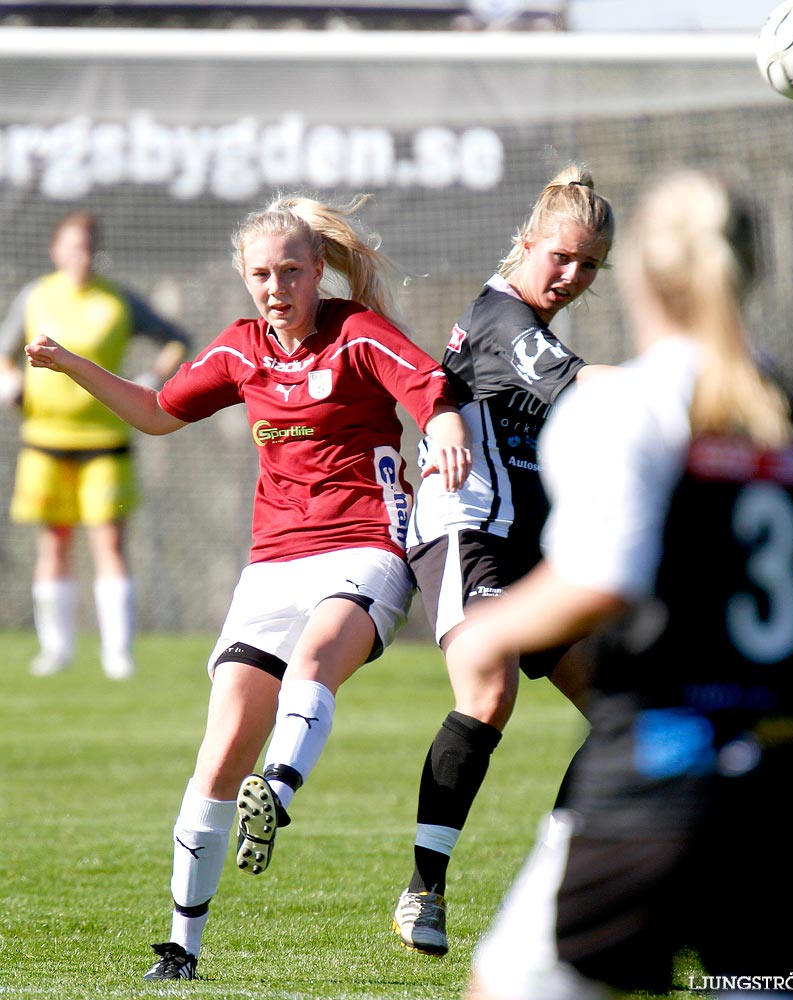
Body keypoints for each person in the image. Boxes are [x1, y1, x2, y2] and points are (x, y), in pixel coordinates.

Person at [24, 193, 472, 982]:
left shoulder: (356, 332)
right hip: (271, 565)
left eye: (291, 271)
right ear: (243, 276)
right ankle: (180, 948)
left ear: (317, 271)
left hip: (363, 549)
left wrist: (442, 428)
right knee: (222, 744)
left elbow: (428, 384)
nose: (276, 286)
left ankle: (280, 787)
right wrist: (68, 364)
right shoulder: (239, 351)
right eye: (261, 273)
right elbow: (159, 413)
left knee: (316, 659)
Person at [458, 170, 793, 999]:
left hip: (660, 781)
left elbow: (603, 577)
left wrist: (491, 626)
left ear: (643, 276)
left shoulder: (628, 411)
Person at [392, 164, 617, 958]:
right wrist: (689, 384)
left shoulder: (528, 321)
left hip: (529, 547)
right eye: (560, 256)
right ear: (526, 243)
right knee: (486, 694)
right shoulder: (501, 318)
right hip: (467, 530)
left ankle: (560, 880)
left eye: (588, 265)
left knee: (627, 707)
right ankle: (424, 888)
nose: (571, 275)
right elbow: (587, 388)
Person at [0, 210, 190, 680]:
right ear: (55, 250)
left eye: (87, 247)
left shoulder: (117, 299)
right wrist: (10, 384)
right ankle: (56, 650)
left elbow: (177, 341)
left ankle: (117, 653)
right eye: (71, 246)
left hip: (105, 440)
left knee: (109, 543)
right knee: (55, 542)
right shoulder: (36, 296)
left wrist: (151, 378)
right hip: (44, 440)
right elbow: (6, 356)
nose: (79, 256)